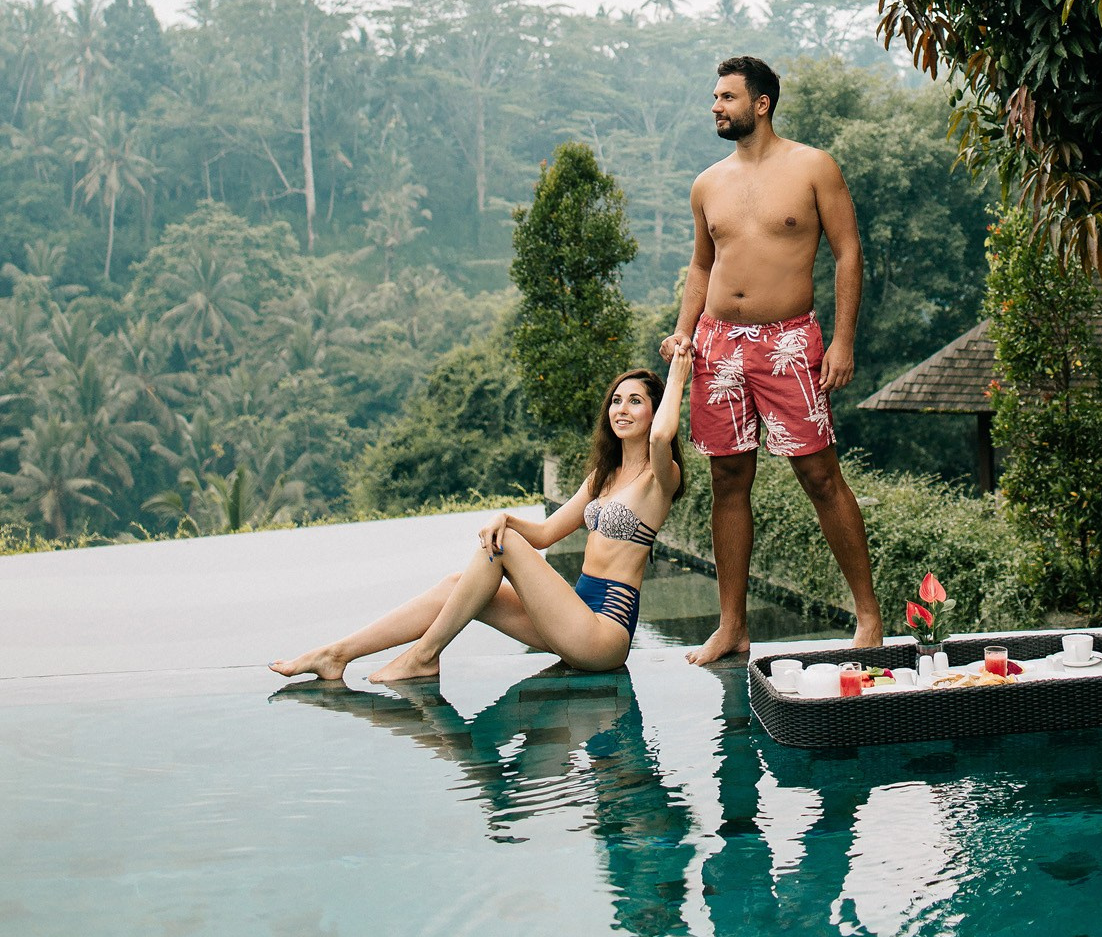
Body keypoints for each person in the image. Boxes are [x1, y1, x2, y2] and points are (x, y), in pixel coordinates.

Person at [269, 357, 689, 683]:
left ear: (655, 412)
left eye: (636, 401)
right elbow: (544, 534)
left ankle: (423, 656)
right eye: (616, 400)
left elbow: (660, 438)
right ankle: (337, 654)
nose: (622, 409)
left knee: (505, 548)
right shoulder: (603, 477)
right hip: (573, 616)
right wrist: (505, 517)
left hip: (604, 634)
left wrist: (678, 372)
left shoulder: (660, 478)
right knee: (457, 583)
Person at [661, 55, 882, 666]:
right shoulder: (707, 183)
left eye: (727, 97)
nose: (716, 106)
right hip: (718, 346)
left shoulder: (813, 167)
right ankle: (732, 626)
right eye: (714, 97)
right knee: (728, 480)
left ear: (761, 103)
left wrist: (842, 341)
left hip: (789, 341)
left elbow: (848, 253)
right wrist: (683, 332)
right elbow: (702, 264)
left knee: (820, 475)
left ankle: (868, 616)